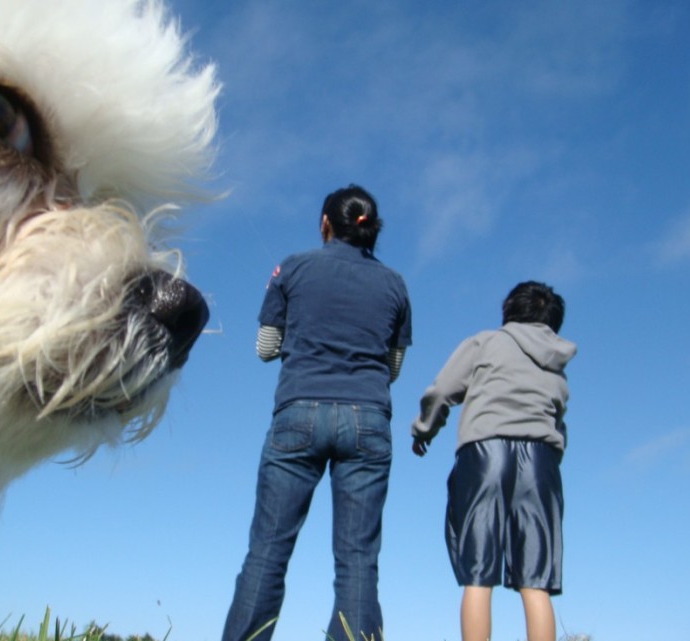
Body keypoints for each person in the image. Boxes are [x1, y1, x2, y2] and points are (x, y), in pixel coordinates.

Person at [222, 185, 412, 641]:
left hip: (298, 414)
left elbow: (266, 348)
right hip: (368, 419)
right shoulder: (394, 284)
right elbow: (393, 367)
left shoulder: (292, 266)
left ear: (326, 223)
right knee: (358, 560)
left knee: (268, 551)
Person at [411, 281, 576, 641]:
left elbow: (442, 391)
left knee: (477, 573)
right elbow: (559, 420)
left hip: (485, 453)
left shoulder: (485, 342)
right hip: (541, 461)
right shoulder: (558, 363)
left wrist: (424, 430)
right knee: (536, 580)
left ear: (509, 309)